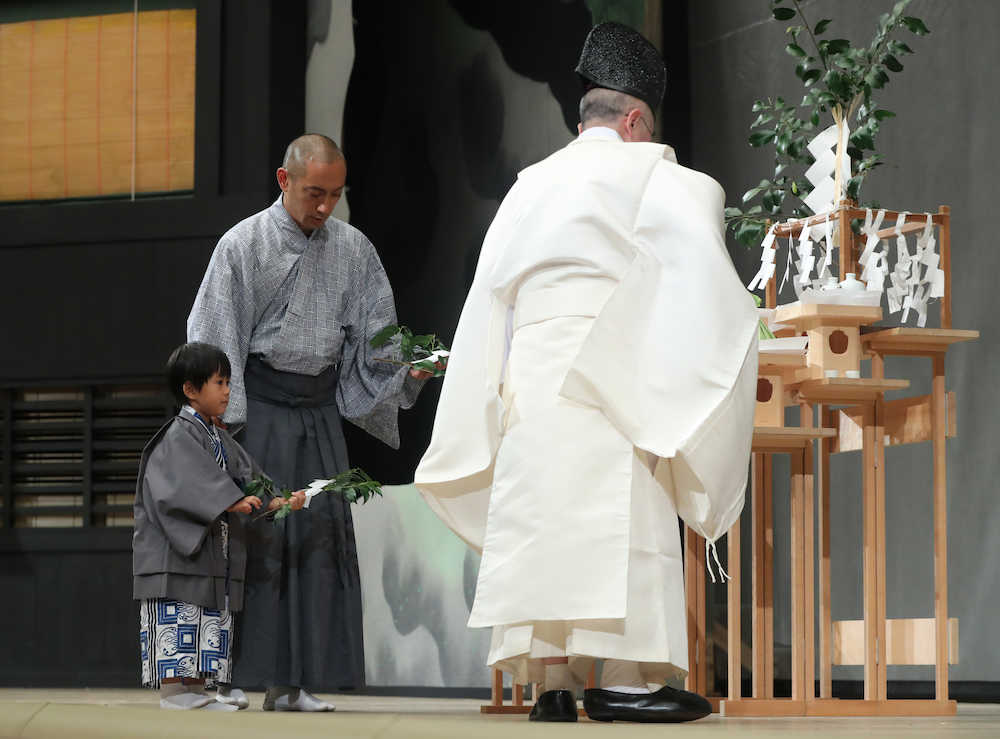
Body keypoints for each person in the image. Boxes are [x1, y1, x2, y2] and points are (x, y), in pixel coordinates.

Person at [415, 22, 758, 723]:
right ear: (634, 119)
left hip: (531, 381)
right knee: (620, 523)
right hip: (607, 373)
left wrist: (493, 396)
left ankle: (552, 681)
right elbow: (707, 277)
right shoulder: (654, 172)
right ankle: (628, 679)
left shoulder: (527, 188)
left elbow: (488, 301)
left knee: (544, 522)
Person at [187, 134, 430, 711]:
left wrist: (407, 372)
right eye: (314, 193)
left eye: (335, 196)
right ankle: (233, 677)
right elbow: (214, 337)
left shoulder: (354, 248)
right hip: (259, 411)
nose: (325, 207)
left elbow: (377, 340)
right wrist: (222, 426)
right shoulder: (242, 245)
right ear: (284, 180)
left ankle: (295, 683)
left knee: (317, 542)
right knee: (256, 543)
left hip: (318, 410)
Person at [132, 342, 304, 710]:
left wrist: (276, 499)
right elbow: (186, 484)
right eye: (219, 382)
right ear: (191, 390)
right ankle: (175, 693)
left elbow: (248, 478)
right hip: (176, 554)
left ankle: (194, 690)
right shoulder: (176, 436)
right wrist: (228, 499)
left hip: (209, 553)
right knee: (180, 616)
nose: (227, 391)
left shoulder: (217, 437)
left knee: (204, 619)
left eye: (228, 382)